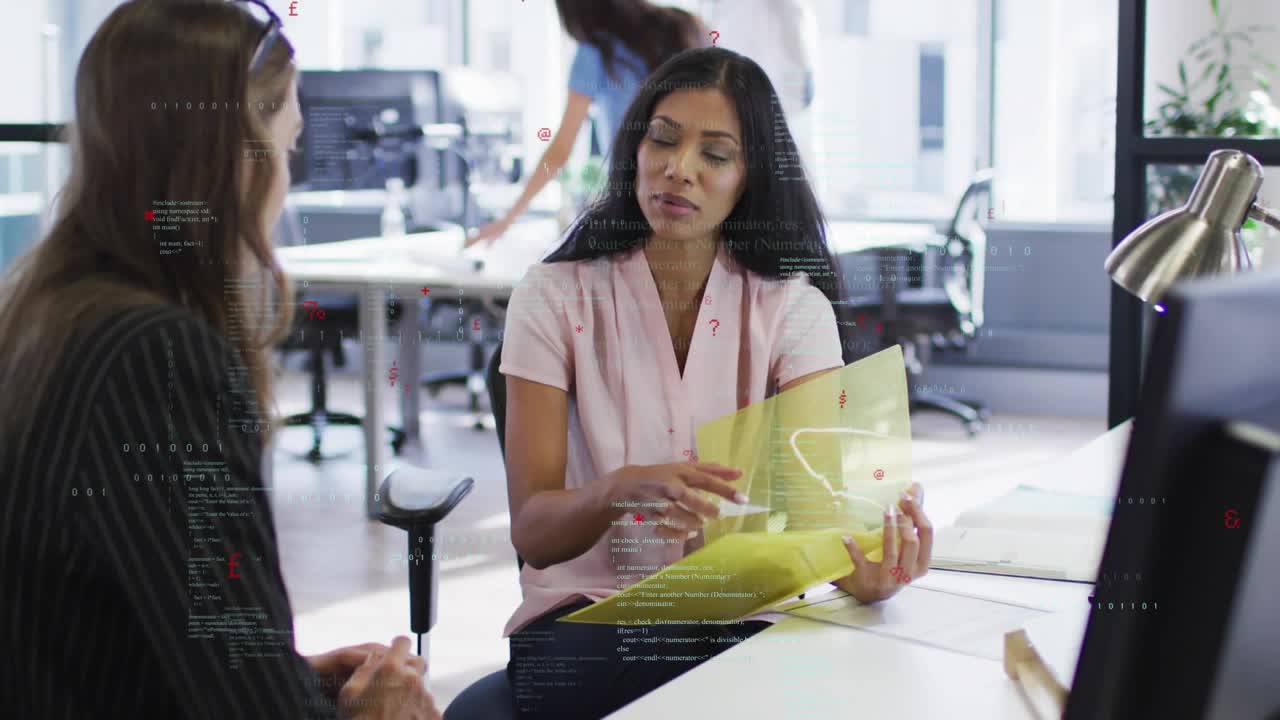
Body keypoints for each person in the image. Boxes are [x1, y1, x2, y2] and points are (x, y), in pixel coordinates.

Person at [0, 2, 438, 718]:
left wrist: (284, 672)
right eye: (287, 146)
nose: (285, 183)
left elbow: (114, 618)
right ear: (235, 154)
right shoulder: (159, 360)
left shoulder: (48, 312)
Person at [498, 47, 933, 719]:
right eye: (663, 140)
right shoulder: (552, 297)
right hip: (585, 621)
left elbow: (810, 516)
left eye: (715, 155)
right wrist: (618, 489)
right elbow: (533, 530)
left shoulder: (792, 309)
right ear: (634, 147)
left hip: (739, 615)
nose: (679, 169)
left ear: (749, 177)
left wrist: (866, 574)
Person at [465, 0, 706, 249]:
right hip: (695, 194)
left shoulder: (596, 51)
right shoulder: (685, 26)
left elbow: (561, 149)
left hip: (636, 202)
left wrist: (508, 218)